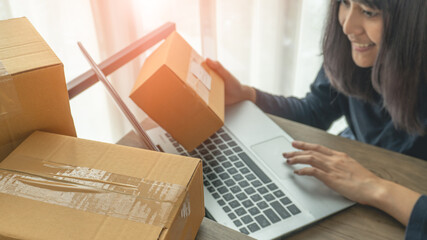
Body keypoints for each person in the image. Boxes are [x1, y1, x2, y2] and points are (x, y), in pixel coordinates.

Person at [206, 0, 426, 239]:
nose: (348, 26)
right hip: (357, 176)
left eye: (368, 12)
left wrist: (374, 187)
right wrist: (248, 95)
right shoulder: (352, 51)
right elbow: (313, 112)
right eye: (345, 3)